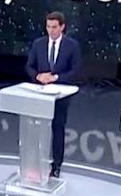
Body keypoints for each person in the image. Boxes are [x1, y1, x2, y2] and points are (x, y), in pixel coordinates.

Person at [24, 11, 82, 179]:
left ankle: (56, 166)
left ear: (62, 27)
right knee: (36, 127)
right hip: (40, 93)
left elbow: (75, 70)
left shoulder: (72, 46)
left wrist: (55, 78)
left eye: (54, 27)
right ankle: (35, 163)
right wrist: (38, 76)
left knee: (58, 128)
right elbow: (29, 66)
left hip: (61, 94)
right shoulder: (38, 44)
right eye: (48, 27)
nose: (51, 30)